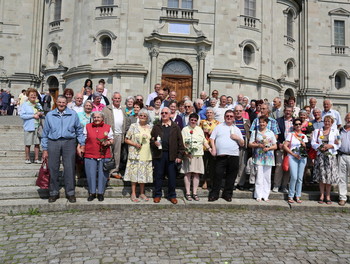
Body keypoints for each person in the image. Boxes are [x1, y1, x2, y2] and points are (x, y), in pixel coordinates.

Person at [41, 95, 85, 203]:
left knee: (69, 168)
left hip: (69, 142)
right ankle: (53, 192)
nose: (61, 104)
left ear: (66, 103)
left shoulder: (72, 114)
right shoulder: (50, 115)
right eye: (59, 102)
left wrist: (81, 143)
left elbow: (79, 130)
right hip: (53, 142)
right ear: (56, 102)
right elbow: (45, 133)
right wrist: (45, 149)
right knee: (53, 168)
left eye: (63, 102)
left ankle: (70, 192)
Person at [151, 107, 185, 204]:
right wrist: (154, 143)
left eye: (166, 113)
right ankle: (157, 195)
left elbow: (180, 143)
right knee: (158, 176)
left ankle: (172, 195)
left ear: (170, 114)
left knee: (172, 176)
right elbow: (151, 140)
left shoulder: (175, 127)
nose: (164, 114)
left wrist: (179, 156)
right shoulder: (156, 126)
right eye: (162, 113)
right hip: (159, 155)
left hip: (172, 155)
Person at [209, 110, 244, 202]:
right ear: (224, 117)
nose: (229, 118)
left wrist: (237, 138)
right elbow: (212, 138)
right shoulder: (219, 127)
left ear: (234, 118)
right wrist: (213, 148)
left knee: (231, 176)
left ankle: (227, 194)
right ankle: (214, 194)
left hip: (233, 155)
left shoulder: (236, 129)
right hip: (221, 156)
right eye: (227, 116)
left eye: (231, 116)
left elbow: (242, 143)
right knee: (217, 175)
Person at [81, 111, 114, 202]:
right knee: (90, 174)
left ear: (102, 118)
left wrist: (107, 142)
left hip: (104, 154)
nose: (96, 119)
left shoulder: (107, 127)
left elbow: (112, 139)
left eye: (98, 117)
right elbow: (83, 139)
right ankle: (92, 192)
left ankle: (100, 192)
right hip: (90, 153)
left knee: (103, 174)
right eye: (95, 117)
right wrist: (81, 147)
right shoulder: (87, 126)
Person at [124, 109, 153, 202]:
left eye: (145, 116)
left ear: (147, 117)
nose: (143, 117)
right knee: (134, 174)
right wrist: (134, 144)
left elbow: (152, 139)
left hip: (146, 153)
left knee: (143, 174)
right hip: (135, 153)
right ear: (138, 116)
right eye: (141, 115)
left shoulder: (150, 127)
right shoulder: (133, 126)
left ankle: (142, 193)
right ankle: (133, 193)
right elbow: (126, 139)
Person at [311, 115, 341, 205]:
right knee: (321, 176)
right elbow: (313, 142)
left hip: (330, 156)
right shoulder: (317, 131)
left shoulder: (336, 131)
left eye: (329, 122)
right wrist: (319, 147)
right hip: (321, 156)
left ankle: (328, 196)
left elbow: (339, 143)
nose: (327, 123)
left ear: (332, 123)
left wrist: (331, 146)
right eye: (326, 121)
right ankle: (321, 195)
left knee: (329, 177)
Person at [181, 113, 211, 201]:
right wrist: (186, 151)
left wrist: (209, 148)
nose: (193, 121)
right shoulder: (185, 129)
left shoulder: (199, 129)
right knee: (188, 173)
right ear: (189, 120)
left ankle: (194, 192)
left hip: (198, 154)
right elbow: (182, 142)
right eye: (191, 120)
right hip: (188, 155)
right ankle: (187, 192)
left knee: (197, 173)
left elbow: (203, 140)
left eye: (195, 120)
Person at [249, 116, 277, 202]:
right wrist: (258, 145)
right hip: (259, 157)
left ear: (266, 123)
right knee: (259, 176)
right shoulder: (255, 132)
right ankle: (258, 195)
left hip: (268, 157)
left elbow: (275, 146)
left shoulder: (270, 133)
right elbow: (250, 144)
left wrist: (268, 148)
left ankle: (266, 195)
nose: (262, 124)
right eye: (260, 122)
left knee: (267, 177)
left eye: (263, 122)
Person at [103, 92, 129, 179]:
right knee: (108, 153)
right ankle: (106, 171)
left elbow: (126, 121)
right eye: (115, 98)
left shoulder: (123, 109)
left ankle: (114, 170)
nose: (117, 100)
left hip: (119, 134)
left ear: (121, 100)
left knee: (117, 154)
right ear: (112, 99)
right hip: (109, 135)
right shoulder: (106, 109)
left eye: (118, 98)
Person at [283, 118, 308, 203]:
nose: (298, 126)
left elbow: (306, 148)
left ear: (301, 125)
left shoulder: (304, 136)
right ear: (293, 126)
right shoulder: (290, 135)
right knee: (294, 176)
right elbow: (285, 146)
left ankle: (298, 195)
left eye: (299, 124)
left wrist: (303, 144)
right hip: (293, 156)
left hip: (302, 157)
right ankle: (290, 195)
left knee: (300, 178)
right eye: (296, 124)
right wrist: (293, 154)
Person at [20, 88, 44, 164]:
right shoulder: (25, 105)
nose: (33, 96)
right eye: (31, 95)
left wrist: (40, 113)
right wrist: (33, 116)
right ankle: (27, 158)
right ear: (28, 96)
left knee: (37, 143)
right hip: (29, 126)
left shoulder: (38, 104)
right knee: (28, 143)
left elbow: (42, 112)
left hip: (37, 126)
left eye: (34, 95)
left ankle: (36, 158)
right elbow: (22, 115)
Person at [273, 106, 293, 193]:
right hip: (280, 147)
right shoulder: (278, 121)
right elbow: (274, 133)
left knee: (287, 168)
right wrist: (278, 143)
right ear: (284, 111)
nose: (288, 112)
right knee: (279, 166)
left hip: (291, 148)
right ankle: (276, 185)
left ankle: (284, 186)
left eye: (290, 111)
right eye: (287, 111)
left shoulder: (295, 122)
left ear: (292, 112)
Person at [199, 107, 219, 189]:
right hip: (204, 147)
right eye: (208, 113)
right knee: (204, 165)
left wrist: (212, 133)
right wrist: (204, 132)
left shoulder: (217, 123)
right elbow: (199, 133)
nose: (209, 114)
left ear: (213, 114)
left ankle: (212, 180)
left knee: (212, 165)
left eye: (211, 112)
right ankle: (204, 181)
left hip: (213, 147)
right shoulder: (202, 122)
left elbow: (219, 134)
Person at [233, 104, 251, 190]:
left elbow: (249, 133)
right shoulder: (231, 121)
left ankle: (241, 183)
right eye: (236, 111)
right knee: (234, 165)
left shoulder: (247, 121)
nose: (238, 112)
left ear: (243, 112)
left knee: (242, 166)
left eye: (240, 111)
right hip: (233, 146)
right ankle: (233, 182)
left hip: (244, 146)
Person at [338, 113, 350, 206]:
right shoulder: (341, 130)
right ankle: (342, 197)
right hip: (342, 155)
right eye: (347, 118)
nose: (349, 120)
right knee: (342, 177)